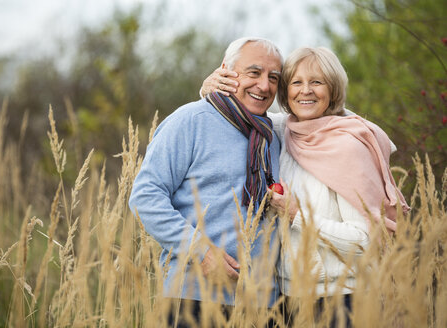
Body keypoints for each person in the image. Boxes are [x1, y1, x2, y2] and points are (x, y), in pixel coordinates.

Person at [200, 46, 410, 326]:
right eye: (296, 83)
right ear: (285, 93)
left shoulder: (348, 146)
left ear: (333, 90)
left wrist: (297, 216)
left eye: (317, 82)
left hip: (344, 300)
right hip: (288, 300)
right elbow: (238, 111)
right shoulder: (280, 132)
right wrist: (208, 91)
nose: (305, 91)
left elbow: (366, 240)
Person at [128, 37, 284, 327]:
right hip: (194, 299)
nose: (264, 85)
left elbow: (327, 111)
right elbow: (145, 198)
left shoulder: (273, 133)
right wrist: (199, 250)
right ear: (225, 71)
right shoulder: (190, 121)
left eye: (273, 77)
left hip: (264, 305)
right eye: (254, 72)